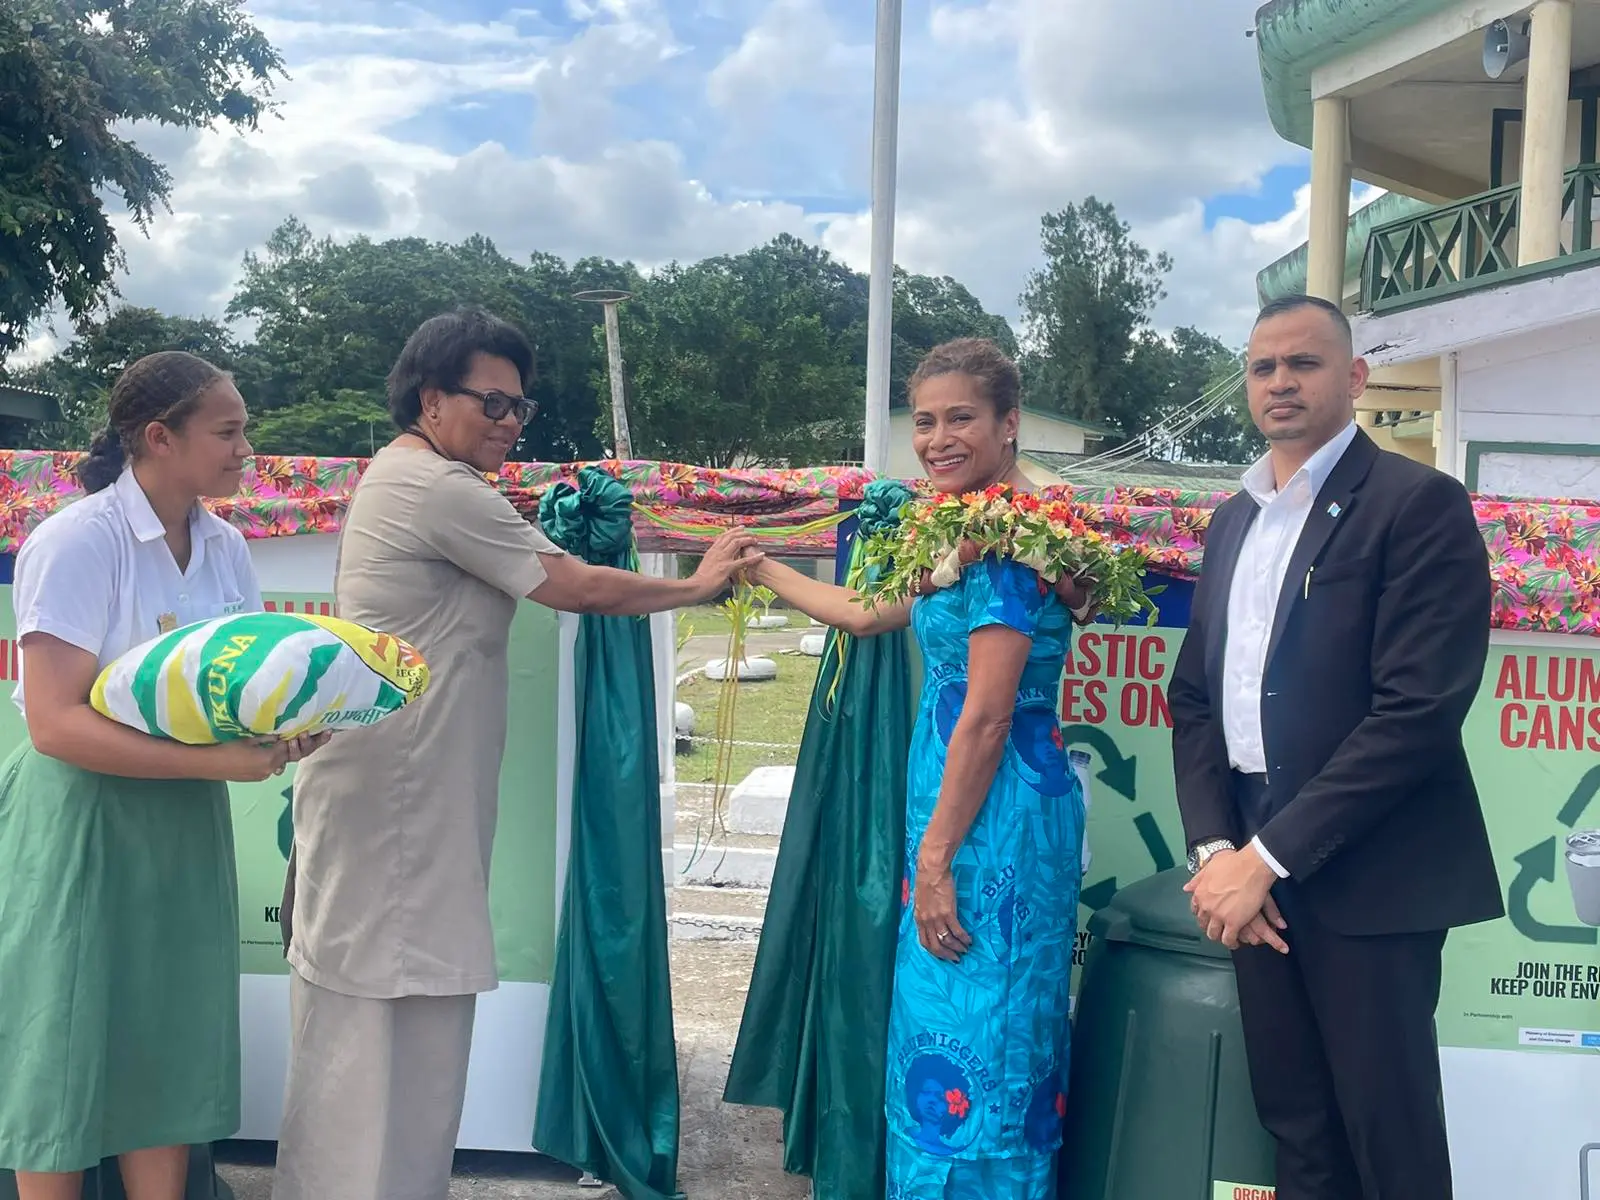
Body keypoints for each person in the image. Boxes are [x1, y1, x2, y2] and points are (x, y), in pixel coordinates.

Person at [270, 307, 763, 1200]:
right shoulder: (436, 488)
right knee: (358, 1040)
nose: (506, 422)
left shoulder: (425, 477)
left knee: (415, 1038)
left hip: (414, 798)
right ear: (429, 400)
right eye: (489, 402)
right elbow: (571, 584)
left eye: (518, 409)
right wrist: (696, 583)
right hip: (391, 797)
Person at [1170, 294, 1502, 1199]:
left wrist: (1267, 860)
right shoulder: (1232, 520)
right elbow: (1195, 698)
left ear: (1353, 377)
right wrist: (1216, 855)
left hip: (1369, 875)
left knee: (1385, 1133)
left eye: (1303, 363)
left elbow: (1418, 712)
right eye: (1262, 366)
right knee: (1297, 1127)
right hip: (1246, 870)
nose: (1280, 382)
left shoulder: (1416, 505)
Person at [746, 338, 1094, 1200]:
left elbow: (985, 718)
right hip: (954, 811)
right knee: (946, 1027)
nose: (938, 439)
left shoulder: (1016, 541)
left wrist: (936, 858)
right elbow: (867, 613)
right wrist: (761, 567)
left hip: (994, 816)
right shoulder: (957, 530)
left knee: (992, 1035)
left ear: (1010, 425)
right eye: (927, 422)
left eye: (961, 419)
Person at [0, 352, 325, 1200]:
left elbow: (240, 681)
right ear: (158, 438)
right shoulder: (78, 541)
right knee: (62, 1040)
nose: (246, 448)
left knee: (169, 1037)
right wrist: (218, 763)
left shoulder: (222, 545)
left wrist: (301, 720)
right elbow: (55, 723)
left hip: (183, 818)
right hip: (82, 818)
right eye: (227, 431)